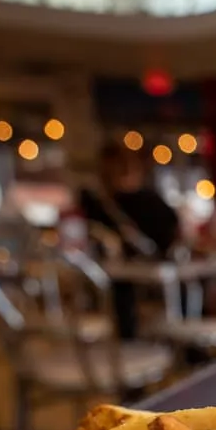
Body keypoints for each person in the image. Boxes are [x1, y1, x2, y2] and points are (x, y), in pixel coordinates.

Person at [78, 144, 180, 337]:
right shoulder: (102, 204)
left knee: (122, 300)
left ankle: (131, 343)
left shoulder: (100, 204)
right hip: (140, 271)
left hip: (119, 274)